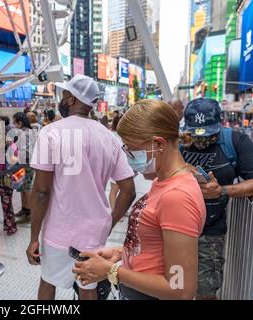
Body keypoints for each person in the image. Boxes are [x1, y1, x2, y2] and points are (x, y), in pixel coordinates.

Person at [72, 100, 207, 300]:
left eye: (131, 149)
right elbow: (156, 245)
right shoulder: (164, 182)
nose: (128, 157)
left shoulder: (177, 197)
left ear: (159, 143)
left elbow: (181, 289)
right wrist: (119, 254)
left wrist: (111, 271)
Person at [26, 74, 136, 300]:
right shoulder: (109, 137)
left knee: (48, 281)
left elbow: (41, 191)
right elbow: (129, 190)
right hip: (93, 232)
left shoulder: (51, 132)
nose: (61, 99)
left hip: (58, 229)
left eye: (64, 95)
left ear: (72, 99)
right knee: (88, 288)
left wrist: (33, 237)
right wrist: (108, 223)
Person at [180, 98, 253, 300]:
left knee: (204, 291)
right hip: (174, 227)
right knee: (173, 287)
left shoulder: (235, 142)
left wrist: (221, 191)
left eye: (208, 134)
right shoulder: (177, 143)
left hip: (209, 232)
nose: (201, 140)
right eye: (195, 134)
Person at [12, 112, 35, 224]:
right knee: (22, 187)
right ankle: (24, 209)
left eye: (15, 123)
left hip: (25, 164)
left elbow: (24, 150)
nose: (14, 126)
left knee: (26, 188)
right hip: (24, 163)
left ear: (19, 123)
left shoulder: (24, 133)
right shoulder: (30, 132)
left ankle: (29, 213)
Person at [109, 114, 123, 212]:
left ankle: (118, 210)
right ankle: (115, 211)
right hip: (115, 165)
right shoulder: (113, 135)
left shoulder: (118, 135)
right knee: (114, 190)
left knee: (120, 190)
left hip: (121, 166)